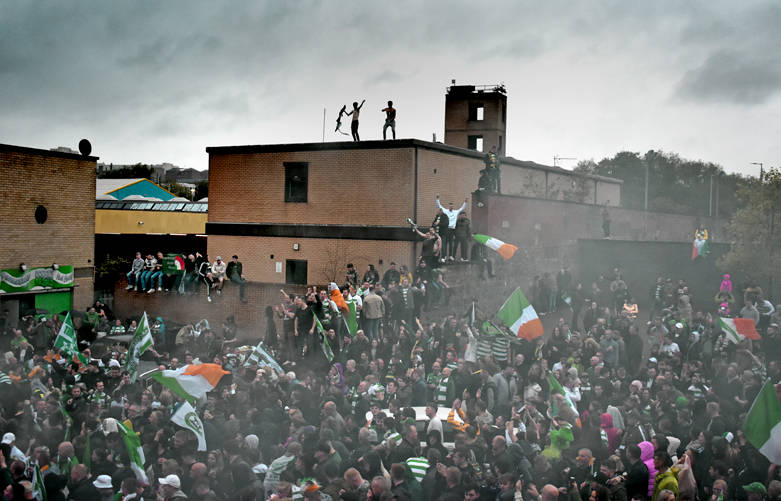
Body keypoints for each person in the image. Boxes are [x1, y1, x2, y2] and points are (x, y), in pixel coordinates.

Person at [436, 195, 468, 262]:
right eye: (450, 206)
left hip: (452, 230)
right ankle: (443, 257)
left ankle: (450, 256)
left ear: (453, 207)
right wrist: (437, 199)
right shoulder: (445, 211)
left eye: (452, 206)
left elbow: (462, 208)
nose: (451, 207)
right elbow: (440, 206)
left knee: (451, 243)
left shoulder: (456, 212)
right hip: (446, 229)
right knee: (444, 243)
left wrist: (465, 202)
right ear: (449, 207)